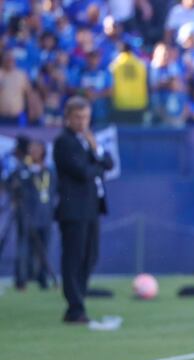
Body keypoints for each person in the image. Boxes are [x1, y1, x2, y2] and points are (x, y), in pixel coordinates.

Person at [53, 96, 114, 323]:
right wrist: (97, 164)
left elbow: (109, 163)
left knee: (90, 256)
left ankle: (78, 301)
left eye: (86, 117)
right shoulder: (64, 142)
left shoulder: (88, 140)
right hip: (73, 208)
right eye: (77, 117)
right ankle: (75, 307)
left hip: (91, 208)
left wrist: (96, 152)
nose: (82, 122)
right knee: (74, 258)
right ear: (68, 118)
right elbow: (82, 172)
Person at [7, 140, 55, 290]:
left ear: (43, 151)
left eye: (37, 149)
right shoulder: (23, 169)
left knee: (44, 248)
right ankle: (21, 280)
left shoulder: (48, 171)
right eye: (31, 149)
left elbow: (53, 191)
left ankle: (42, 278)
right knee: (24, 247)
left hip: (45, 214)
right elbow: (12, 183)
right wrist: (26, 168)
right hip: (27, 214)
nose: (34, 152)